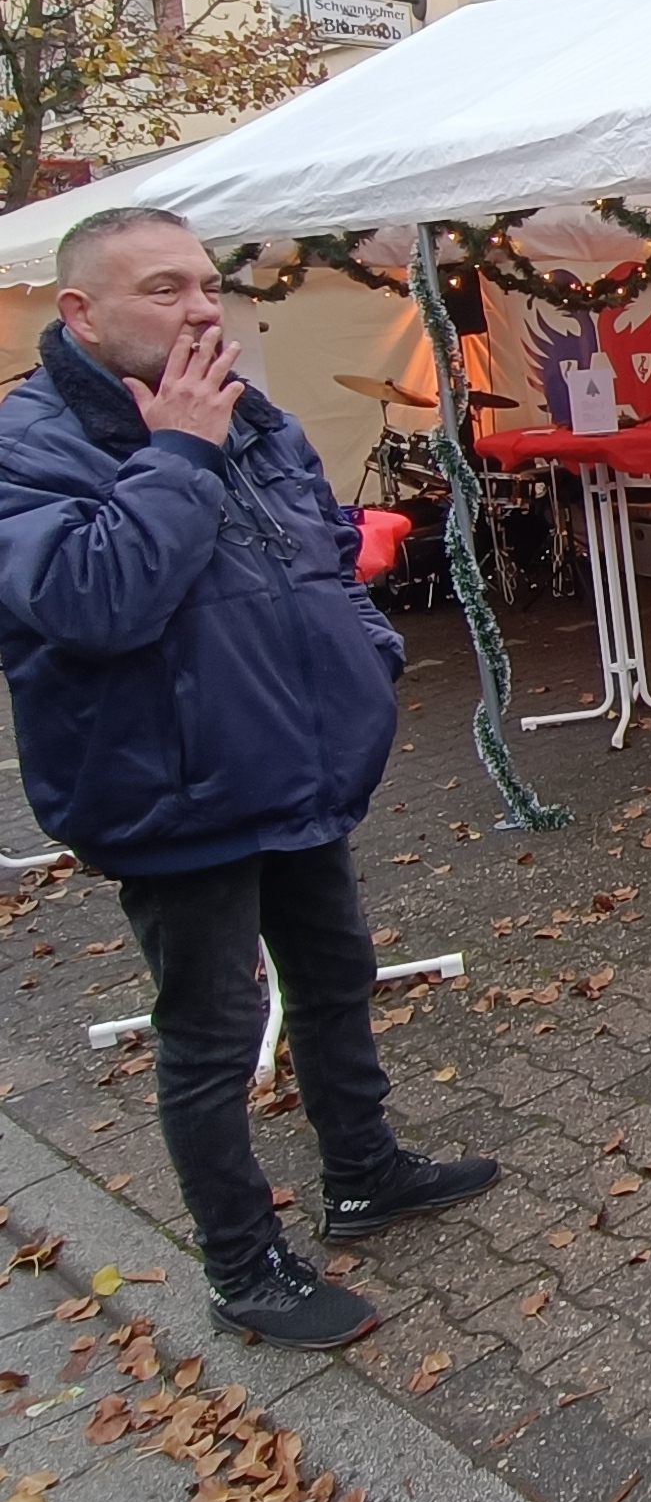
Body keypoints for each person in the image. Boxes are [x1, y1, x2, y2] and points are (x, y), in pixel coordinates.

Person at [0, 208, 496, 1350]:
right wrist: (175, 452)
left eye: (205, 284)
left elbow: (313, 535)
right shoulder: (32, 444)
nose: (199, 308)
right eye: (164, 289)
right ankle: (241, 1264)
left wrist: (358, 650)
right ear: (79, 311)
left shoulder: (241, 406)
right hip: (170, 792)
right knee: (213, 1034)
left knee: (336, 976)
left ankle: (364, 1171)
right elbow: (96, 599)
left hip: (290, 764)